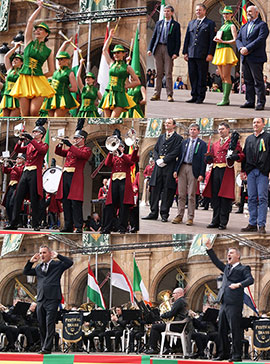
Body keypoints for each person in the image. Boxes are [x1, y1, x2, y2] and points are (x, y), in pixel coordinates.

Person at [205, 240, 254, 362]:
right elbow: (216, 262)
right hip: (224, 302)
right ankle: (223, 353)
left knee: (235, 329)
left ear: (238, 256)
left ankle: (236, 355)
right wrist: (209, 249)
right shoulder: (227, 268)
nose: (229, 255)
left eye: (231, 253)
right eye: (228, 253)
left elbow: (250, 280)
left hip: (234, 303)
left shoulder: (243, 268)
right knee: (221, 329)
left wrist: (238, 284)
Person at [23, 245, 73, 354]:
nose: (42, 255)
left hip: (52, 298)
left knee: (49, 323)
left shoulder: (57, 265)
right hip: (41, 298)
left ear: (50, 254)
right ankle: (43, 346)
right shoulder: (38, 267)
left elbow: (70, 263)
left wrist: (58, 256)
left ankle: (47, 348)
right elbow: (26, 272)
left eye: (44, 253)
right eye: (40, 253)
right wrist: (31, 262)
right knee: (41, 324)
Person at [9, 0, 55, 116]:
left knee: (34, 111)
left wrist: (41, 77)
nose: (37, 31)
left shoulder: (49, 51)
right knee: (24, 113)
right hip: (24, 79)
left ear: (46, 34)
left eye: (41, 29)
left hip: (38, 80)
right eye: (36, 29)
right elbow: (30, 22)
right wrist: (39, 8)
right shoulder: (28, 42)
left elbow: (52, 71)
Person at [5, 124, 48, 231]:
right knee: (18, 197)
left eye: (36, 132)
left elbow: (41, 150)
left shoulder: (44, 144)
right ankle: (14, 222)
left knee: (34, 199)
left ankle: (36, 224)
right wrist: (20, 140)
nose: (34, 133)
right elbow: (18, 149)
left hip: (34, 172)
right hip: (26, 172)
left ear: (41, 135)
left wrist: (30, 140)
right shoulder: (29, 145)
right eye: (33, 132)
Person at [203, 122, 244, 230]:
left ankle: (223, 222)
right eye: (219, 129)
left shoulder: (233, 142)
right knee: (215, 197)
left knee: (225, 197)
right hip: (216, 170)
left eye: (222, 129)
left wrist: (235, 156)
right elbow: (211, 156)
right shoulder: (216, 144)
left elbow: (241, 155)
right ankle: (215, 220)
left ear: (228, 130)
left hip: (226, 170)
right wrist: (208, 159)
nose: (220, 131)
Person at [142, 119, 183, 222]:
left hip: (169, 166)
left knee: (167, 191)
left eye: (169, 123)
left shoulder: (178, 138)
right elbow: (155, 149)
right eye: (165, 123)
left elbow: (176, 151)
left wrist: (165, 160)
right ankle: (153, 212)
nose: (166, 124)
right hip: (158, 166)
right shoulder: (161, 137)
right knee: (155, 189)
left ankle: (164, 213)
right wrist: (157, 160)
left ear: (174, 125)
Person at [55, 130, 92, 233]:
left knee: (76, 202)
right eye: (74, 138)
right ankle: (68, 225)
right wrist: (60, 143)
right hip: (66, 174)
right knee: (66, 202)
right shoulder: (71, 150)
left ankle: (78, 226)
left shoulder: (86, 149)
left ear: (82, 139)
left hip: (75, 176)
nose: (75, 140)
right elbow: (58, 152)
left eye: (77, 138)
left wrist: (70, 145)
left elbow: (81, 155)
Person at [99, 29, 140, 117]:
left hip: (120, 94)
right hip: (109, 93)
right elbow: (104, 50)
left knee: (113, 118)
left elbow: (137, 81)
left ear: (123, 54)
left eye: (118, 53)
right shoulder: (111, 63)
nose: (115, 55)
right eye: (114, 53)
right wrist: (110, 37)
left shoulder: (127, 67)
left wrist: (126, 86)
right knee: (107, 120)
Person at [172, 123, 207, 226]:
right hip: (183, 167)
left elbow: (203, 160)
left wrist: (201, 174)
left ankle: (190, 217)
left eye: (194, 129)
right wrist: (176, 170)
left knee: (191, 195)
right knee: (181, 194)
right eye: (191, 129)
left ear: (198, 131)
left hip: (193, 169)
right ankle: (179, 215)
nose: (192, 131)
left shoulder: (202, 144)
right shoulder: (184, 142)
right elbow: (179, 156)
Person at [102, 137, 139, 233]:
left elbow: (131, 161)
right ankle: (107, 228)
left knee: (124, 206)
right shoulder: (113, 158)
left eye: (121, 147)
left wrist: (122, 154)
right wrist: (110, 152)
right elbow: (107, 163)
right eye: (118, 146)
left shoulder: (126, 156)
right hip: (114, 182)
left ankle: (123, 227)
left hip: (124, 183)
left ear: (123, 148)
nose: (119, 148)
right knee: (110, 205)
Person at [236, 5, 269, 111]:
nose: (248, 13)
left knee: (258, 81)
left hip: (256, 57)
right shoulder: (244, 26)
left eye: (250, 11)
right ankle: (250, 101)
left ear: (256, 13)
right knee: (248, 80)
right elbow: (238, 38)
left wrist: (247, 48)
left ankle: (260, 102)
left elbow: (261, 39)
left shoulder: (262, 25)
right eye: (247, 11)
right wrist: (241, 48)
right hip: (245, 57)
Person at [240, 118, 270, 234]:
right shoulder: (249, 139)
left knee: (262, 198)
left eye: (258, 122)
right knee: (251, 198)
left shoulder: (267, 137)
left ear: (263, 124)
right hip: (251, 171)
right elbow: (244, 155)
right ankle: (252, 223)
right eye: (253, 122)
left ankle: (261, 224)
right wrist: (243, 170)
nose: (255, 124)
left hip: (263, 172)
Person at [183, 3, 216, 104]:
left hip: (203, 54)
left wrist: (210, 53)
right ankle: (194, 95)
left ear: (204, 11)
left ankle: (201, 96)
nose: (198, 12)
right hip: (192, 53)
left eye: (200, 10)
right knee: (193, 76)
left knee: (202, 76)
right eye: (197, 10)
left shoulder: (210, 23)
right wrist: (185, 52)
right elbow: (187, 38)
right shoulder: (191, 23)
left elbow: (212, 40)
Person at [147, 5, 181, 102]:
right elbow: (154, 37)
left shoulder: (176, 25)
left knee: (168, 73)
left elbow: (177, 40)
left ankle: (169, 95)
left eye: (168, 11)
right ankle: (156, 93)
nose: (166, 13)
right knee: (158, 73)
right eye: (165, 11)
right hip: (158, 48)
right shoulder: (159, 23)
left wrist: (176, 53)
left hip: (168, 50)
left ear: (172, 13)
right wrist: (150, 49)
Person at [41, 39, 79, 117]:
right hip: (53, 97)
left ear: (67, 60)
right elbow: (58, 53)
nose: (59, 61)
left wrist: (66, 88)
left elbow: (75, 89)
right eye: (58, 59)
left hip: (63, 98)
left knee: (57, 116)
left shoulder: (70, 73)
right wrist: (65, 43)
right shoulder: (58, 69)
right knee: (50, 118)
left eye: (61, 59)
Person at [145, 287, 188, 355]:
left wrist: (161, 315)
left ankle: (154, 348)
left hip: (176, 326)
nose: (172, 295)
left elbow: (171, 313)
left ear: (179, 294)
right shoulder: (183, 301)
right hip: (179, 325)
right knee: (159, 327)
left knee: (154, 327)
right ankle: (167, 347)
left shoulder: (179, 301)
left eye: (173, 294)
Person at [212, 6, 238, 106]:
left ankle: (225, 98)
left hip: (226, 50)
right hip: (219, 50)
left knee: (226, 76)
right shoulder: (223, 26)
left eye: (227, 13)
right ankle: (225, 98)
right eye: (224, 14)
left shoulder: (232, 26)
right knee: (222, 76)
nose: (225, 15)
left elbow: (235, 40)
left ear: (231, 14)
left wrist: (223, 41)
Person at [0, 43, 23, 116]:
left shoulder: (22, 72)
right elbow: (6, 57)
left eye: (17, 59)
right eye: (13, 59)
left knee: (12, 119)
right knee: (4, 119)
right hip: (7, 95)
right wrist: (15, 47)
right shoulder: (9, 69)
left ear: (21, 63)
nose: (14, 61)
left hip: (16, 97)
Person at [1, 154, 25, 224]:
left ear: (23, 160)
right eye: (17, 158)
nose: (17, 159)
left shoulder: (23, 167)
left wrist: (13, 166)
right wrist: (5, 164)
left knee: (12, 203)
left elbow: (20, 172)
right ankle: (10, 219)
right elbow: (6, 171)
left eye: (19, 158)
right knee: (7, 204)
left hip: (17, 186)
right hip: (11, 187)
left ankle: (14, 220)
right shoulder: (15, 167)